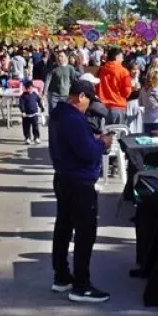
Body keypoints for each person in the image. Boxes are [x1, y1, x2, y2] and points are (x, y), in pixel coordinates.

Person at [48, 79, 110, 303]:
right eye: (88, 101)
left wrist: (92, 140)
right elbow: (87, 153)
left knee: (63, 227)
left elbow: (77, 144)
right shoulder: (73, 118)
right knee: (85, 232)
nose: (88, 107)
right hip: (78, 181)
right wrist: (103, 143)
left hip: (64, 177)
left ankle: (62, 275)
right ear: (80, 97)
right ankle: (81, 285)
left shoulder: (58, 114)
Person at [96, 48, 132, 126]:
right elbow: (127, 92)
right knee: (118, 135)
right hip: (118, 106)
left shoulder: (101, 70)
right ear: (116, 57)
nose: (122, 59)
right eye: (122, 57)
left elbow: (96, 86)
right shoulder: (124, 71)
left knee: (105, 135)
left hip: (103, 107)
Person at [19, 79, 44, 145]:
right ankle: (27, 138)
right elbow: (21, 104)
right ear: (26, 89)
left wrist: (41, 107)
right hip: (26, 115)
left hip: (34, 114)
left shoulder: (34, 94)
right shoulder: (23, 96)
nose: (31, 90)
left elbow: (38, 100)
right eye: (29, 88)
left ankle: (36, 138)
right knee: (26, 128)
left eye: (32, 88)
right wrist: (23, 111)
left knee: (35, 127)